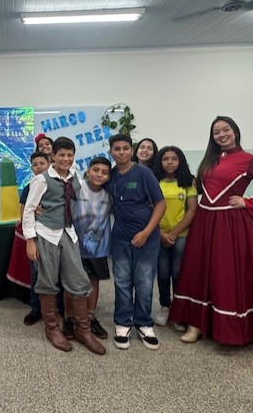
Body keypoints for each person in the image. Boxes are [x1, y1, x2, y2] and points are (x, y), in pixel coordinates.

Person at [169, 116, 253, 345]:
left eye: (226, 130)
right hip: (204, 221)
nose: (221, 135)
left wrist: (248, 202)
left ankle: (230, 326)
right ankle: (197, 324)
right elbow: (206, 189)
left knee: (225, 273)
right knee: (200, 271)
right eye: (216, 132)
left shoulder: (250, 160)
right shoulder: (210, 159)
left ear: (235, 131)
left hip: (231, 224)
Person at [23, 136, 105, 355]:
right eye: (61, 155)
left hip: (68, 233)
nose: (65, 159)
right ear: (53, 156)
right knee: (48, 280)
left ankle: (83, 329)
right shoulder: (42, 180)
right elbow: (29, 210)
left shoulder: (74, 177)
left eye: (70, 155)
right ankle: (52, 328)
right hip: (46, 234)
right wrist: (30, 240)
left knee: (78, 279)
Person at [106, 133, 166, 351]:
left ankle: (143, 323)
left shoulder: (144, 173)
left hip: (147, 238)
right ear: (110, 152)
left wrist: (146, 232)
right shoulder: (110, 176)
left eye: (125, 148)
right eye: (116, 149)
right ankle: (123, 322)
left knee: (144, 281)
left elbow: (160, 205)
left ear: (131, 150)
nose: (121, 152)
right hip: (120, 237)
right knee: (122, 281)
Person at [63, 157, 113, 341]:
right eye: (96, 170)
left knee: (94, 282)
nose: (99, 174)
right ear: (88, 171)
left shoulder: (109, 194)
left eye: (104, 172)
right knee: (70, 284)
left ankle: (91, 318)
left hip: (98, 249)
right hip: (74, 245)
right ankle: (69, 319)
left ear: (108, 177)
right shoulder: (77, 187)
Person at [152, 146, 197, 329]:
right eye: (165, 159)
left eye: (174, 159)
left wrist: (174, 233)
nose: (169, 162)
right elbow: (148, 208)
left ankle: (179, 310)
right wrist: (161, 233)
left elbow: (192, 209)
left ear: (180, 161)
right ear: (160, 161)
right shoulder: (154, 181)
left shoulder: (187, 182)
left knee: (178, 271)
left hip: (181, 235)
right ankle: (165, 306)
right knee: (163, 271)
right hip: (158, 235)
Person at [6, 151, 51, 325]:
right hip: (36, 236)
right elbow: (24, 212)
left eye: (42, 163)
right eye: (35, 164)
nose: (39, 167)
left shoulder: (57, 184)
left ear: (49, 163)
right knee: (36, 273)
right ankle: (36, 308)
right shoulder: (29, 187)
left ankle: (58, 308)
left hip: (54, 236)